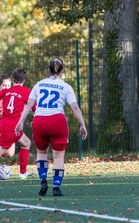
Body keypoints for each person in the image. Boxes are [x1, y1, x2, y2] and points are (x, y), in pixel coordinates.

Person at [15, 58, 87, 197]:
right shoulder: (66, 86)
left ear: (48, 70)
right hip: (57, 121)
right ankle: (56, 187)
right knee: (58, 156)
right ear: (62, 71)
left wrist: (21, 121)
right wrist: (82, 124)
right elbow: (74, 107)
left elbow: (29, 105)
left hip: (39, 121)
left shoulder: (39, 84)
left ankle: (43, 181)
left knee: (41, 153)